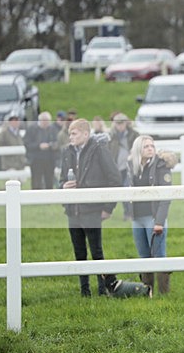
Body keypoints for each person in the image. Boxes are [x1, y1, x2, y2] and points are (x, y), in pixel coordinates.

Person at [59, 118, 137, 297]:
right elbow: (62, 179)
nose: (70, 136)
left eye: (74, 133)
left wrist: (108, 207)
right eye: (70, 133)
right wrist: (63, 187)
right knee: (79, 252)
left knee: (96, 251)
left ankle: (103, 290)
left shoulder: (99, 150)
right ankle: (84, 291)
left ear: (86, 134)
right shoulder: (67, 152)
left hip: (92, 209)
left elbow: (114, 179)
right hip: (73, 210)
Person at [128, 135, 176, 294]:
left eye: (152, 146)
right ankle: (146, 292)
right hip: (137, 218)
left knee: (159, 255)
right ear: (138, 150)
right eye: (146, 146)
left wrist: (159, 222)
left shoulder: (161, 167)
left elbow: (165, 197)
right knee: (143, 256)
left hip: (154, 218)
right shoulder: (133, 167)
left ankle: (164, 293)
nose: (150, 148)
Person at [108, 113, 139, 220]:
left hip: (130, 167)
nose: (120, 126)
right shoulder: (111, 136)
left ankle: (130, 213)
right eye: (117, 124)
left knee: (128, 189)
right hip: (116, 167)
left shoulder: (134, 135)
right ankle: (126, 212)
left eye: (121, 123)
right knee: (120, 191)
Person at [23, 111, 59, 189]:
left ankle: (49, 197)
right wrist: (39, 146)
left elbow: (57, 142)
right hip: (36, 159)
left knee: (49, 180)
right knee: (36, 180)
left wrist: (52, 145)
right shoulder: (31, 129)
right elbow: (27, 144)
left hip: (49, 159)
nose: (46, 123)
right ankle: (35, 197)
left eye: (48, 121)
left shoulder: (53, 129)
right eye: (44, 121)